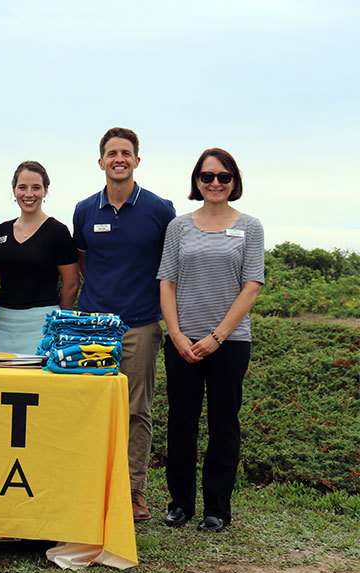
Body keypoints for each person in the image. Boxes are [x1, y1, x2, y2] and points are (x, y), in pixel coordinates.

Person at [72, 128, 176, 521]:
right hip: (93, 327)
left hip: (141, 326)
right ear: (100, 162)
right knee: (90, 408)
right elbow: (84, 263)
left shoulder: (159, 209)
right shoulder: (84, 209)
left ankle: (132, 492)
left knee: (136, 411)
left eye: (126, 153)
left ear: (137, 160)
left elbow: (171, 267)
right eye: (112, 153)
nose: (119, 158)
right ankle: (89, 483)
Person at [158, 148, 264, 532]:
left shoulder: (250, 226)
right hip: (182, 342)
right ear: (196, 181)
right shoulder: (179, 227)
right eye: (207, 177)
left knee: (224, 423)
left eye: (223, 177)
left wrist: (218, 337)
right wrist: (177, 334)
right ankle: (180, 505)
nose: (215, 183)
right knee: (181, 422)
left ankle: (217, 509)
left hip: (230, 343)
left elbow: (251, 286)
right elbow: (166, 282)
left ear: (234, 181)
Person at [0, 161, 78, 354]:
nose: (29, 194)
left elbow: (71, 285)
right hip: (2, 324)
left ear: (46, 191)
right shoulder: (1, 230)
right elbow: (2, 276)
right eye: (22, 187)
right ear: (14, 190)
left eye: (36, 188)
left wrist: (55, 322)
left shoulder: (58, 231)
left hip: (42, 324)